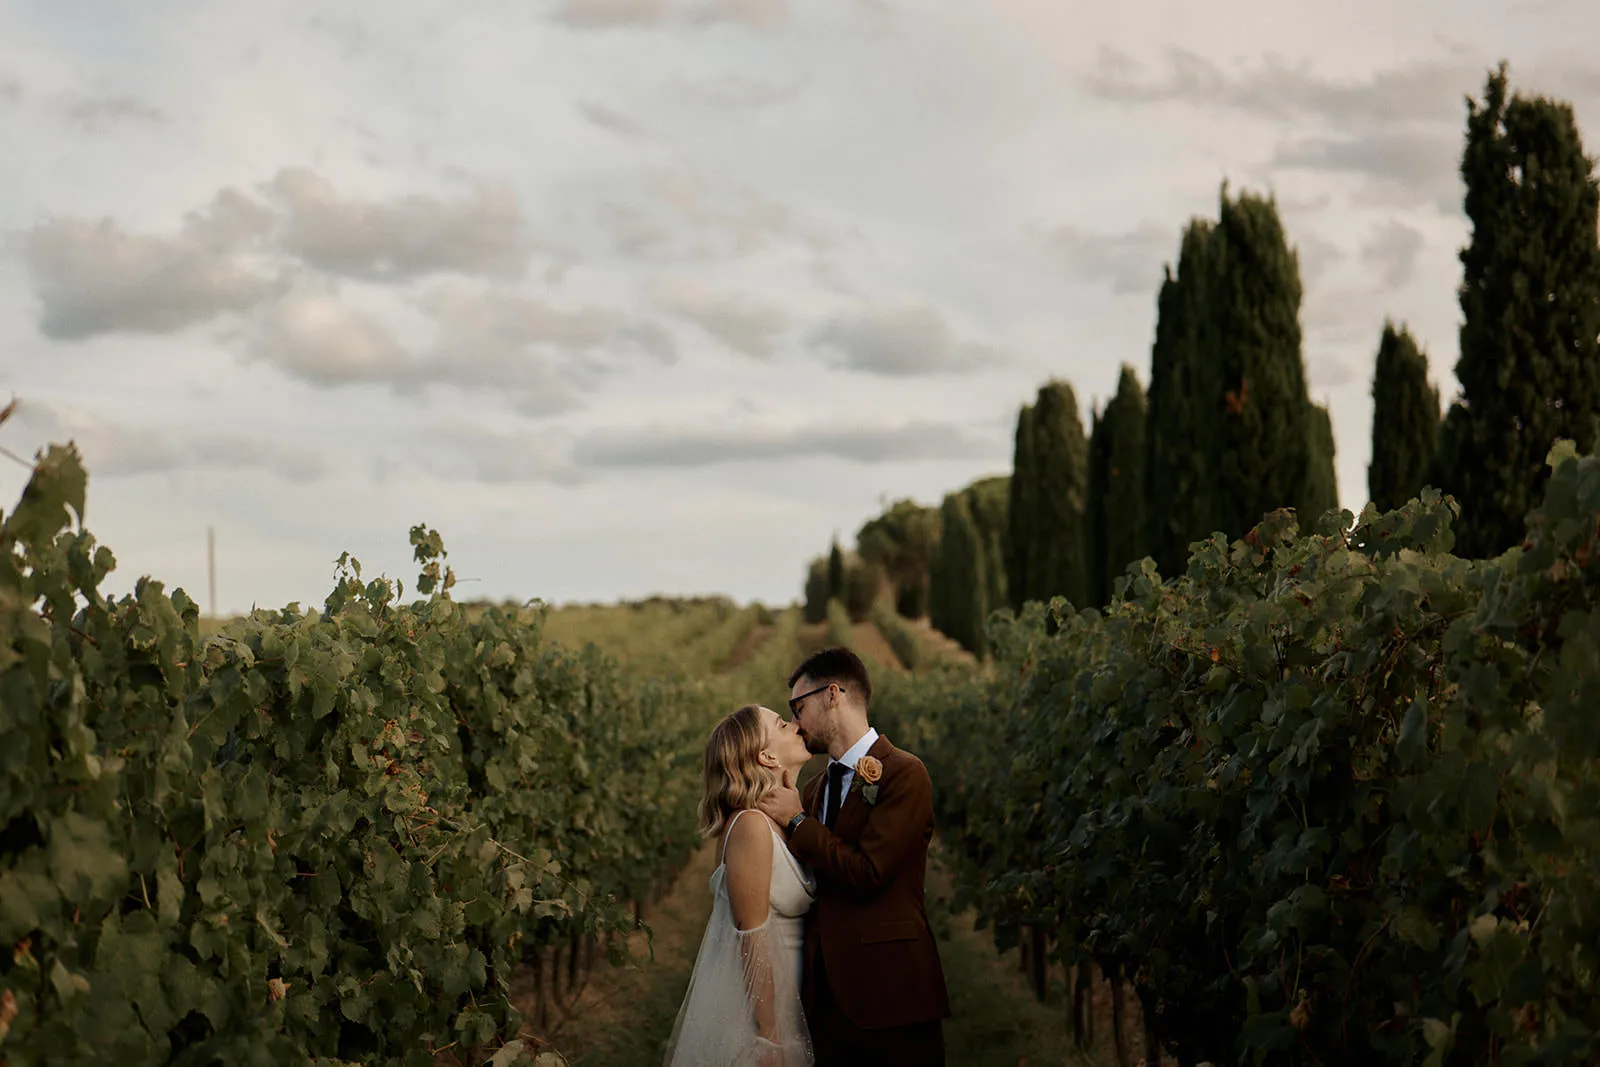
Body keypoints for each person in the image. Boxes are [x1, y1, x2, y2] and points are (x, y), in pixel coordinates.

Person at [756, 647, 951, 1066]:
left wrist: (797, 823)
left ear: (832, 695)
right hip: (825, 1002)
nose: (794, 723)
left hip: (892, 995)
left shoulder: (905, 773)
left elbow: (869, 872)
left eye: (798, 707)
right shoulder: (813, 788)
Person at [664, 704, 817, 1067]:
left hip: (788, 1002)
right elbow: (752, 934)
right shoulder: (751, 825)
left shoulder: (786, 818)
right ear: (765, 755)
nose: (796, 724)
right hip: (755, 1014)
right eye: (782, 723)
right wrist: (769, 1036)